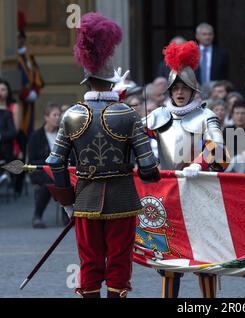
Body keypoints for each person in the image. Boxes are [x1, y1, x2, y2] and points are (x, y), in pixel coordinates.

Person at [45, 13, 160, 298]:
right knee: (119, 260)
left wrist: (67, 200)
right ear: (112, 83)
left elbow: (54, 162)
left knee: (90, 261)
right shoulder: (127, 114)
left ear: (88, 81)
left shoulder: (72, 115)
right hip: (122, 196)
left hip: (84, 197)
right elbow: (148, 168)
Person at [146, 40, 228, 298]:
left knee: (205, 258)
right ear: (169, 90)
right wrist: (119, 99)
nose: (179, 92)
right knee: (170, 261)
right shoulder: (157, 115)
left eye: (184, 88)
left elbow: (220, 148)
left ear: (193, 90)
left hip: (200, 192)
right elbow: (131, 137)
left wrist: (198, 163)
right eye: (175, 88)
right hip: (168, 194)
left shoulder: (206, 116)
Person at [27, 103, 69, 228]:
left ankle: (66, 216)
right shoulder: (36, 136)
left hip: (59, 171)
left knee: (62, 180)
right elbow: (32, 161)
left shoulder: (62, 135)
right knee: (51, 182)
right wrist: (49, 163)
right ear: (46, 117)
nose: (57, 118)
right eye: (54, 115)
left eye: (59, 115)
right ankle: (37, 216)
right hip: (40, 171)